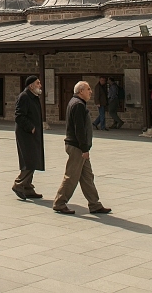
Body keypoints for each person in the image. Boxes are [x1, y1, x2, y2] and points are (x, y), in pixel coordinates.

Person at [52, 81, 110, 215]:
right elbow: (79, 129)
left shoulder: (77, 103)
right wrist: (84, 149)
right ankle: (59, 203)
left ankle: (94, 204)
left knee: (87, 176)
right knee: (71, 176)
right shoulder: (77, 105)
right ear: (80, 91)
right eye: (88, 89)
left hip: (80, 147)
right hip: (77, 147)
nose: (90, 92)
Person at [13, 76, 45, 200]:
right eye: (38, 83)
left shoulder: (34, 97)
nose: (40, 85)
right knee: (29, 160)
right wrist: (31, 127)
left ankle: (27, 188)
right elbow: (19, 116)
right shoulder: (24, 97)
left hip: (33, 134)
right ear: (31, 85)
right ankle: (18, 184)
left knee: (35, 159)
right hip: (25, 134)